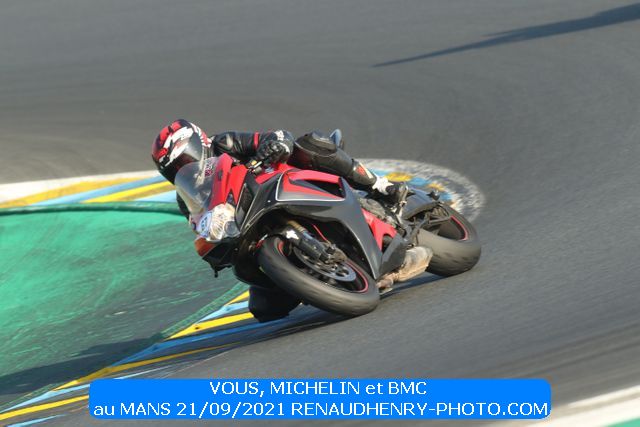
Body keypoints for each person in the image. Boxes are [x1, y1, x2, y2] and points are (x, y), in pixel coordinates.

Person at [151, 119, 409, 321]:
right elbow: (200, 225)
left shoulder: (225, 143)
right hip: (252, 223)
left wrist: (275, 145)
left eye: (184, 160)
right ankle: (319, 275)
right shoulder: (186, 198)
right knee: (264, 309)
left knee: (311, 144)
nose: (181, 169)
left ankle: (380, 186)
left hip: (284, 183)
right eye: (173, 169)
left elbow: (276, 136)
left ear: (198, 144)